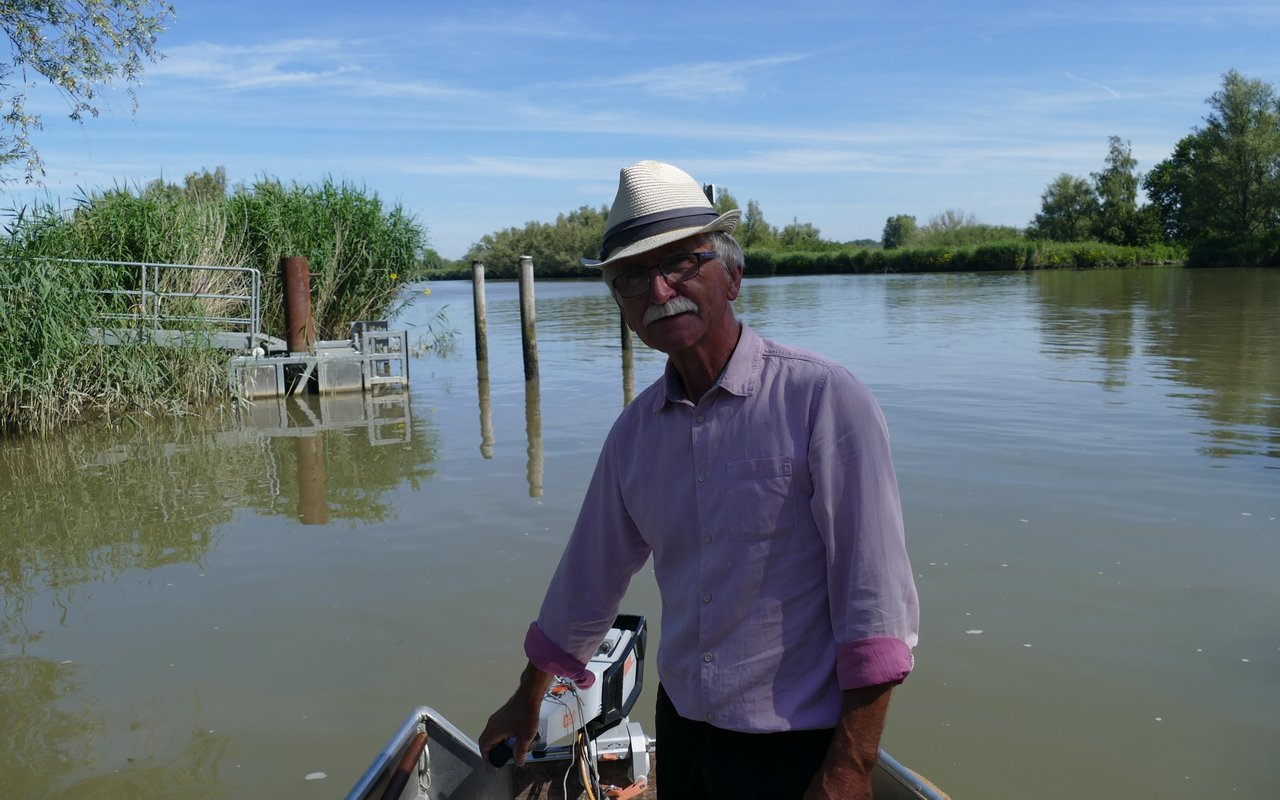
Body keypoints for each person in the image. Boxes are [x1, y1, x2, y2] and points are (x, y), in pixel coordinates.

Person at [479, 160, 919, 799]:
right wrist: (527, 699)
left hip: (796, 743)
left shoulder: (825, 401)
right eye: (632, 276)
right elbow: (586, 582)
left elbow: (875, 600)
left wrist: (851, 763)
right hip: (683, 729)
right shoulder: (634, 436)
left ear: (733, 275)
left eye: (682, 263)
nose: (659, 291)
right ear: (622, 307)